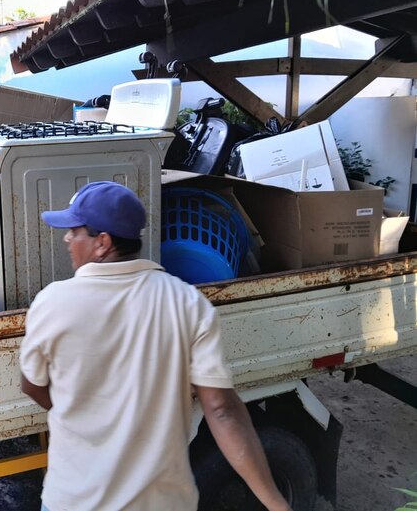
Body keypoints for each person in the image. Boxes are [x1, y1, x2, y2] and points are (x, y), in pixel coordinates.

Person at [19, 181, 292, 511]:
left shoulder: (51, 303)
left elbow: (32, 385)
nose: (67, 238)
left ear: (102, 243)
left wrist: (81, 416)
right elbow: (221, 410)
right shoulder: (187, 302)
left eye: (75, 230)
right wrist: (276, 503)